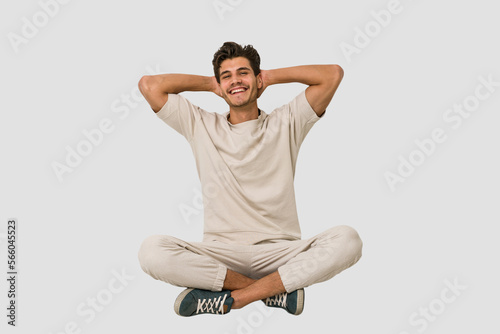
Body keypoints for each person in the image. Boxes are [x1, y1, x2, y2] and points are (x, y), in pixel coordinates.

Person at [137, 41, 363, 317]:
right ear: (219, 86)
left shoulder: (288, 121)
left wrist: (267, 77)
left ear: (257, 79)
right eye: (227, 76)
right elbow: (150, 85)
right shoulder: (200, 124)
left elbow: (332, 75)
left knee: (348, 240)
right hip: (221, 255)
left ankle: (239, 298)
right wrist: (211, 84)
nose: (235, 81)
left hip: (280, 251)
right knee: (152, 251)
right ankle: (272, 291)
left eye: (243, 73)